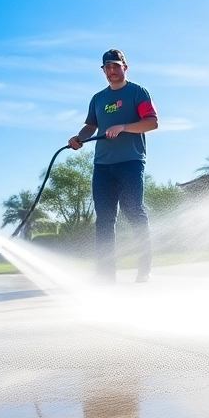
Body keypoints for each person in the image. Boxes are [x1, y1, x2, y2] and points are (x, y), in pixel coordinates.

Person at [68, 50, 159, 283]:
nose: (111, 71)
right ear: (103, 71)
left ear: (125, 67)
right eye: (107, 67)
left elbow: (151, 123)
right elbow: (90, 126)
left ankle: (144, 269)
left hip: (130, 161)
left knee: (134, 212)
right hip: (102, 165)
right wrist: (79, 138)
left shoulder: (138, 92)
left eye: (115, 66)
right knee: (105, 219)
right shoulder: (98, 98)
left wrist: (123, 126)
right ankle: (106, 274)